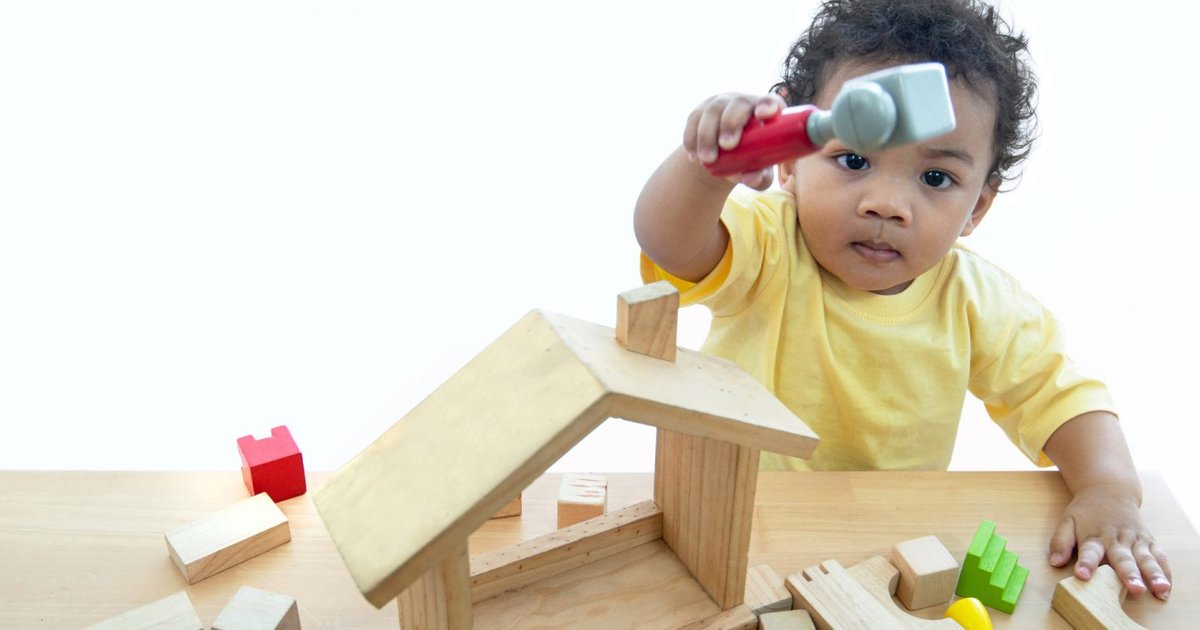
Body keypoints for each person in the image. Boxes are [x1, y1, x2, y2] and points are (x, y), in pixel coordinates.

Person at [634, 0, 1171, 600]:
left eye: (935, 178)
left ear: (979, 208)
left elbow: (1062, 397)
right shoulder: (770, 246)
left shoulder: (975, 299)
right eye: (853, 160)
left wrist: (1109, 488)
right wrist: (707, 168)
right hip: (738, 525)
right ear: (789, 162)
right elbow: (671, 243)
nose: (886, 203)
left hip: (885, 548)